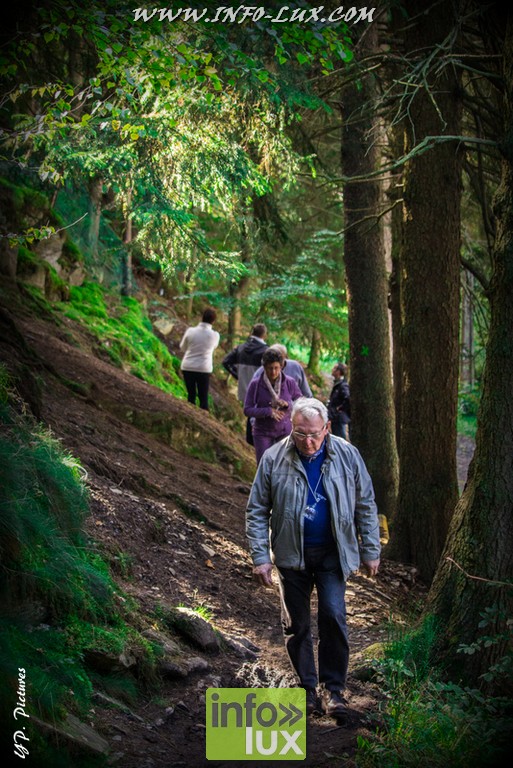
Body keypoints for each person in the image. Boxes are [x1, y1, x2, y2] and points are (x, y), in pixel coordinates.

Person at [245, 397, 380, 719]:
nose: (308, 441)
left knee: (333, 616)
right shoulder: (274, 457)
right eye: (301, 433)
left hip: (334, 552)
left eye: (315, 434)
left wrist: (371, 549)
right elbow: (256, 509)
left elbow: (365, 503)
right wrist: (260, 557)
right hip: (292, 555)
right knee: (298, 624)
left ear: (327, 428)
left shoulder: (348, 455)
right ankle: (307, 689)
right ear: (292, 428)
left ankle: (334, 690)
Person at [243, 347, 302, 463]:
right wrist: (268, 411)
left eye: (276, 368)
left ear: (282, 367)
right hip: (262, 431)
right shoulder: (255, 384)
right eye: (270, 368)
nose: (273, 372)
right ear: (264, 367)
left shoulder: (290, 382)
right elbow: (247, 410)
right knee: (264, 465)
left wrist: (287, 405)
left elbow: (300, 401)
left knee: (285, 464)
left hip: (285, 430)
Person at [222, 323, 268, 444]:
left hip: (244, 388)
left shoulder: (241, 348)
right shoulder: (266, 352)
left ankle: (251, 441)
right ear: (264, 335)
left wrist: (238, 376)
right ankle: (255, 442)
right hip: (261, 389)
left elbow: (226, 362)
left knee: (251, 413)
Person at [179, 307, 220, 411]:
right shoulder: (215, 335)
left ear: (202, 317)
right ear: (213, 321)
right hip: (203, 368)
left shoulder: (190, 331)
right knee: (203, 398)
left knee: (191, 395)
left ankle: (189, 416)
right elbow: (214, 346)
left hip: (188, 366)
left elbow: (182, 347)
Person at [327, 363, 351, 440]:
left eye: (334, 368)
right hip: (335, 418)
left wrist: (339, 409)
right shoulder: (337, 384)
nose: (332, 370)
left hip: (339, 419)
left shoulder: (343, 385)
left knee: (340, 441)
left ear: (339, 372)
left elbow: (347, 399)